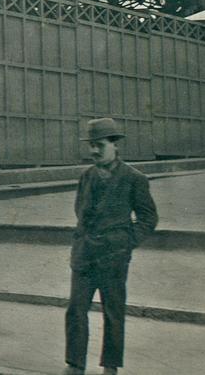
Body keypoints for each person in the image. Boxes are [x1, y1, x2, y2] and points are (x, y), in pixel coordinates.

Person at [63, 118, 158, 375]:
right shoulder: (86, 176)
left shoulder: (133, 179)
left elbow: (149, 219)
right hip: (84, 256)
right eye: (91, 145)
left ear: (115, 145)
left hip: (113, 257)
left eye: (100, 145)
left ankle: (111, 366)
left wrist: (125, 243)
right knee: (75, 310)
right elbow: (80, 212)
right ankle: (75, 364)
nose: (94, 151)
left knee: (113, 312)